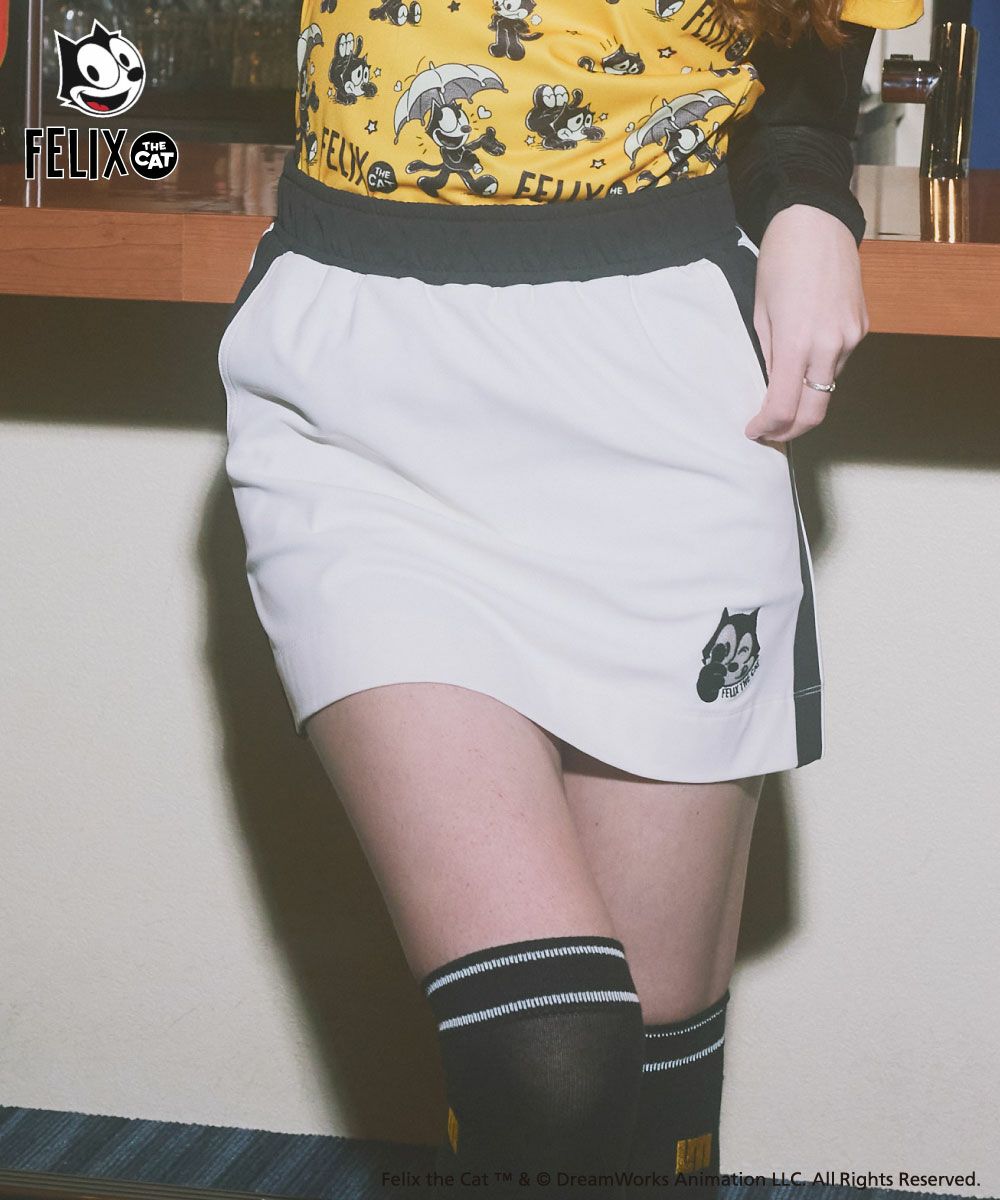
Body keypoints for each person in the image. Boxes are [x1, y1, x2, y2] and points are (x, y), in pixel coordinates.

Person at [217, 1, 923, 1196]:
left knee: (651, 1079)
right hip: (361, 377)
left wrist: (810, 204)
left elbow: (808, 62)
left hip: (659, 377)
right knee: (549, 1060)